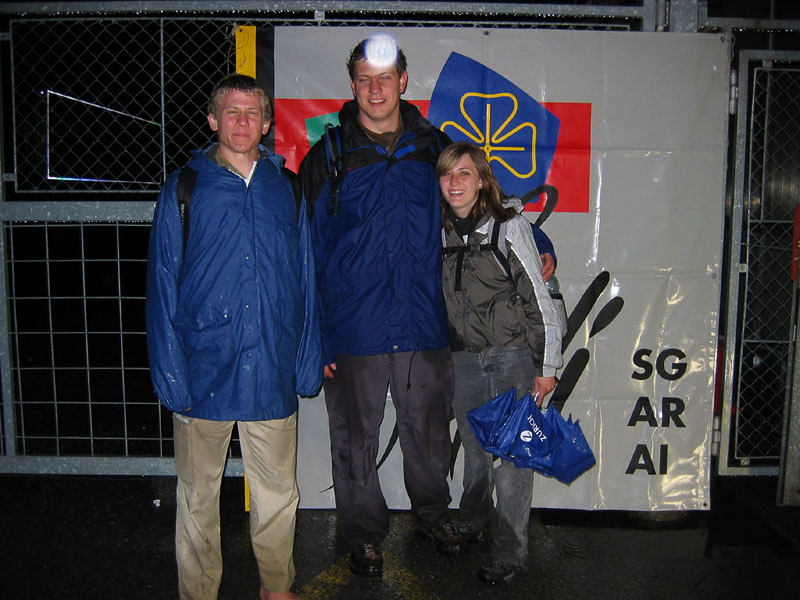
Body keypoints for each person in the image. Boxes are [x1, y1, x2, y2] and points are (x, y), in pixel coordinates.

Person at [146, 73, 321, 600]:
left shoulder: (286, 187)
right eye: (231, 111)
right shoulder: (185, 186)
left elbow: (306, 276)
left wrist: (307, 356)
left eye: (252, 113)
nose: (242, 122)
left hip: (270, 364)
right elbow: (162, 282)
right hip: (204, 364)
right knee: (198, 495)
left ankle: (277, 586)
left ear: (266, 123)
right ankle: (198, 592)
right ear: (212, 120)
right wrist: (170, 369)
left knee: (278, 491)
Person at [298, 34, 465, 578]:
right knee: (354, 439)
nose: (376, 89)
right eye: (365, 79)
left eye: (385, 78)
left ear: (403, 82)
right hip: (354, 326)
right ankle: (364, 534)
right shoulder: (328, 156)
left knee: (429, 431)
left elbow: (477, 205)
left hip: (422, 322)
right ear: (352, 85)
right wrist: (319, 336)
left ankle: (433, 515)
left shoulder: (433, 148)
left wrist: (542, 243)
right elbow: (308, 250)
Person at [437, 141, 564, 585]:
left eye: (464, 173)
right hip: (464, 361)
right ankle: (472, 522)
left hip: (512, 359)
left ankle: (510, 551)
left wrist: (547, 368)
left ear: (481, 180)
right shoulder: (437, 231)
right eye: (447, 174)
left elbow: (538, 299)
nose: (455, 182)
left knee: (513, 460)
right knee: (474, 451)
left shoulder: (509, 226)